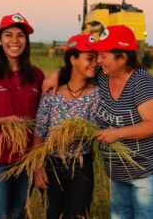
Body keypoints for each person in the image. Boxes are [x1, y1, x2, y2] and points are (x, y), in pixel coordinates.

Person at [43, 25, 153, 219]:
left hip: (148, 173)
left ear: (122, 57)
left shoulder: (142, 83)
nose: (98, 61)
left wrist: (117, 133)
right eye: (97, 55)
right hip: (118, 173)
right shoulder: (103, 77)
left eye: (104, 56)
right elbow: (76, 69)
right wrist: (56, 73)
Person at [0, 13, 45, 219]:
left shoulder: (37, 75)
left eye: (20, 35)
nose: (15, 40)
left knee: (18, 215)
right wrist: (7, 121)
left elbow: (42, 117)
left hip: (26, 160)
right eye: (9, 35)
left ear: (26, 41)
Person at [34, 34, 99, 219]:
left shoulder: (97, 94)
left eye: (96, 58)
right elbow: (40, 132)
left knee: (78, 215)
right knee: (53, 214)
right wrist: (38, 168)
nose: (95, 63)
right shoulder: (52, 94)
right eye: (89, 58)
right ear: (73, 59)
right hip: (52, 165)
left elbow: (97, 129)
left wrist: (80, 131)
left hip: (81, 166)